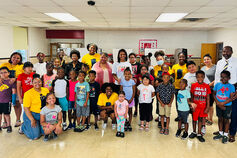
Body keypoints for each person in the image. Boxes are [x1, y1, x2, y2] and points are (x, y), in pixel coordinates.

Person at [214, 46, 237, 142]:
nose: (225, 53)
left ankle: (232, 133)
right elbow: (216, 76)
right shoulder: (220, 62)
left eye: (227, 51)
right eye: (224, 51)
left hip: (233, 88)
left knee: (233, 113)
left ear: (231, 52)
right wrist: (215, 90)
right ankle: (222, 131)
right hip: (221, 89)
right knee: (221, 113)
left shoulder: (236, 61)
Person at [20, 74, 49, 140]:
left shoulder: (46, 90)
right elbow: (26, 108)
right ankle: (23, 127)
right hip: (31, 114)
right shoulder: (28, 93)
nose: (37, 84)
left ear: (42, 82)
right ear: (32, 83)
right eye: (35, 82)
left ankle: (38, 125)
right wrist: (32, 119)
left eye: (39, 82)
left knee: (45, 133)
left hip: (42, 115)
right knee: (35, 136)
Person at [0, 52, 24, 127]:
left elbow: (23, 76)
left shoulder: (22, 66)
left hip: (16, 87)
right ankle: (5, 122)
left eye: (18, 58)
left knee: (16, 104)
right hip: (5, 88)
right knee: (4, 103)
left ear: (20, 60)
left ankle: (18, 119)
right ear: (11, 57)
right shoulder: (5, 65)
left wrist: (15, 78)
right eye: (14, 57)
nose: (15, 59)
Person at [213, 70, 235, 144]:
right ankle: (220, 133)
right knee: (220, 119)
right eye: (221, 77)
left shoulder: (231, 86)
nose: (222, 79)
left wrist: (223, 103)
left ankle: (225, 134)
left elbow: (231, 98)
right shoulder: (217, 85)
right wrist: (218, 103)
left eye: (225, 77)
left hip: (227, 106)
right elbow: (214, 94)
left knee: (226, 120)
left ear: (229, 78)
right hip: (218, 105)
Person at [189, 70, 211, 142]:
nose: (200, 78)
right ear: (196, 78)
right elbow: (192, 96)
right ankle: (194, 132)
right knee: (194, 120)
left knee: (201, 120)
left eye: (201, 77)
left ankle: (199, 134)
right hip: (195, 107)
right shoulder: (193, 85)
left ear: (204, 77)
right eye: (198, 77)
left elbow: (208, 98)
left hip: (203, 107)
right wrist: (191, 105)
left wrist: (207, 107)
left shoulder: (207, 86)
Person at [17, 62, 35, 127]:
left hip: (34, 96)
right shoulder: (20, 76)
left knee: (33, 111)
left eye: (31, 67)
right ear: (24, 68)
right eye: (28, 67)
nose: (30, 69)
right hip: (25, 97)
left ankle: (33, 124)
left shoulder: (34, 74)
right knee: (26, 111)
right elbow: (18, 88)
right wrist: (19, 97)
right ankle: (25, 125)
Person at [171, 52, 188, 121]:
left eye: (183, 57)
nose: (181, 58)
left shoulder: (187, 66)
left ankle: (184, 116)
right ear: (178, 58)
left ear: (185, 58)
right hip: (177, 87)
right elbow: (172, 76)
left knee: (184, 102)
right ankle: (179, 115)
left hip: (185, 88)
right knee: (178, 102)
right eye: (180, 57)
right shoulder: (174, 66)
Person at [201, 54, 216, 125]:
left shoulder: (215, 67)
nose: (206, 61)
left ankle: (210, 119)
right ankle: (206, 117)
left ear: (211, 59)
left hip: (211, 89)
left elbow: (218, 78)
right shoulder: (203, 68)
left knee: (210, 104)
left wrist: (210, 84)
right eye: (205, 60)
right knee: (205, 104)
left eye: (208, 59)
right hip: (204, 89)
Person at [0, 67, 16, 132]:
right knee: (0, 115)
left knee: (7, 114)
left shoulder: (11, 81)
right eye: (1, 73)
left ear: (9, 73)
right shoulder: (0, 81)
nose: (3, 74)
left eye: (5, 72)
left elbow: (14, 91)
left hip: (7, 101)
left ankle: (9, 126)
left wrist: (13, 101)